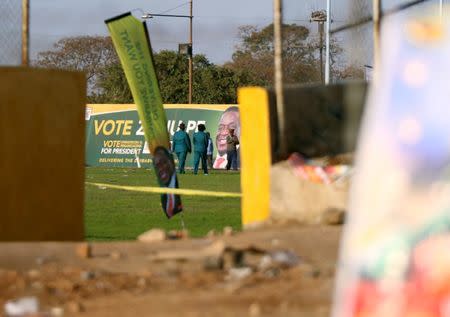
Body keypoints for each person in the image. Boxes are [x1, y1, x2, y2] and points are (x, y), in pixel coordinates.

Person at [152, 146, 182, 218]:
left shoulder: (175, 185)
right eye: (158, 165)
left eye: (164, 162)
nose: (161, 168)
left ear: (170, 162)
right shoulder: (164, 196)